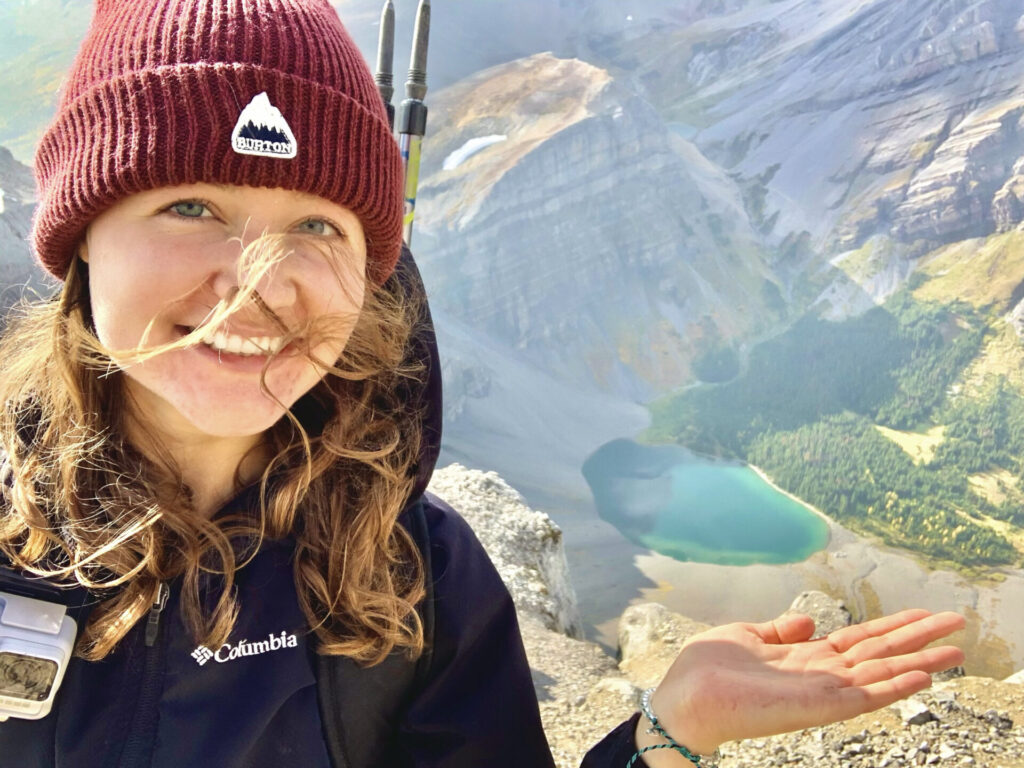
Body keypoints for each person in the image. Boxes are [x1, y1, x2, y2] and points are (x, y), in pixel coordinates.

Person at [0, 1, 966, 766]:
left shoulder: (419, 576)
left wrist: (669, 734)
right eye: (191, 204)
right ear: (79, 240)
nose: (257, 283)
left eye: (319, 227)